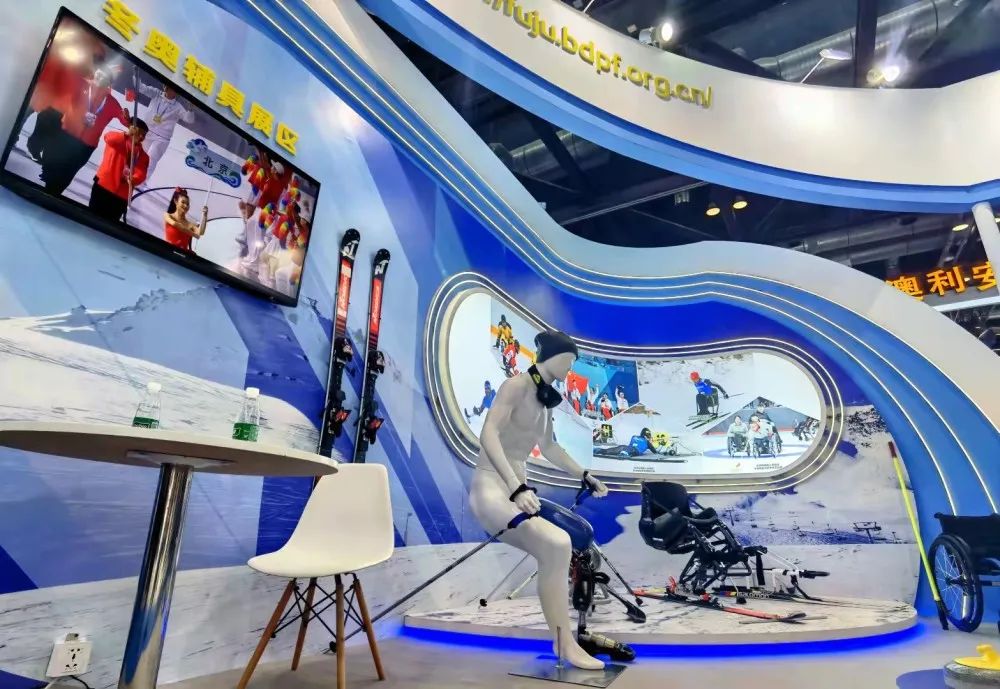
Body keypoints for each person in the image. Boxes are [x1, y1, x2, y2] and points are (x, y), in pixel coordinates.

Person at [470, 329, 609, 670]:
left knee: (561, 545)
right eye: (568, 360)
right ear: (553, 356)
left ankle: (565, 643)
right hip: (492, 487)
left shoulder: (545, 402)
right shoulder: (515, 386)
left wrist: (584, 474)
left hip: (518, 490)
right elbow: (488, 433)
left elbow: (549, 447)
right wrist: (515, 486)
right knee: (557, 544)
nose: (570, 368)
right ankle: (565, 644)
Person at [40, 63, 131, 195]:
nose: (99, 77)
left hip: (85, 146)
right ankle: (49, 184)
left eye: (104, 77)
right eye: (98, 73)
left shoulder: (112, 102)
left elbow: (126, 122)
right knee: (53, 164)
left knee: (68, 173)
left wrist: (128, 119)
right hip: (65, 134)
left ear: (109, 83)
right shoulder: (82, 85)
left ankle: (53, 194)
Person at [88, 119, 149, 222]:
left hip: (122, 194)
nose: (142, 137)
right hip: (103, 186)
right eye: (140, 133)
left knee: (110, 224)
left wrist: (133, 178)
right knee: (91, 217)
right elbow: (108, 138)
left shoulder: (143, 156)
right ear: (131, 128)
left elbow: (141, 173)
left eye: (144, 135)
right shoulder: (117, 139)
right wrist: (127, 134)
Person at [136, 82, 194, 184]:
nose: (167, 89)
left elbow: (188, 119)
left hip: (162, 138)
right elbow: (141, 88)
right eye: (167, 86)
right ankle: (133, 176)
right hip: (147, 131)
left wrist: (190, 109)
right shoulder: (156, 93)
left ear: (176, 93)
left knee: (151, 159)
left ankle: (141, 182)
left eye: (172, 88)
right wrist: (136, 76)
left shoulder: (178, 107)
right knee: (139, 155)